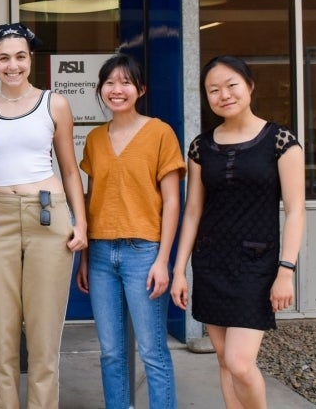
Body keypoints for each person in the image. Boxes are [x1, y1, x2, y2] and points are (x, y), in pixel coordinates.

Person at [0, 23, 88, 409]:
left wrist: (81, 223)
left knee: (45, 336)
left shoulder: (55, 104)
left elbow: (69, 168)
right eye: (3, 58)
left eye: (20, 56)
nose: (12, 65)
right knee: (1, 337)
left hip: (48, 216)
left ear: (30, 59)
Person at [170, 55, 306, 409]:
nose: (223, 95)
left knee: (240, 362)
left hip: (256, 265)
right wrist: (179, 270)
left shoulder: (280, 141)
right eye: (213, 89)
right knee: (222, 359)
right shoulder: (201, 147)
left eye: (231, 85)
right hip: (212, 261)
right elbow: (193, 211)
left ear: (249, 86)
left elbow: (295, 211)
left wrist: (286, 271)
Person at [76, 53, 185, 409]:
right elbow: (94, 199)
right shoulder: (94, 139)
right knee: (110, 351)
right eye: (109, 82)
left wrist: (163, 260)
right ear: (100, 89)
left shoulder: (159, 133)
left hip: (144, 253)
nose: (116, 89)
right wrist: (86, 259)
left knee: (152, 350)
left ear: (140, 89)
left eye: (125, 82)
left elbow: (172, 202)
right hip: (102, 254)